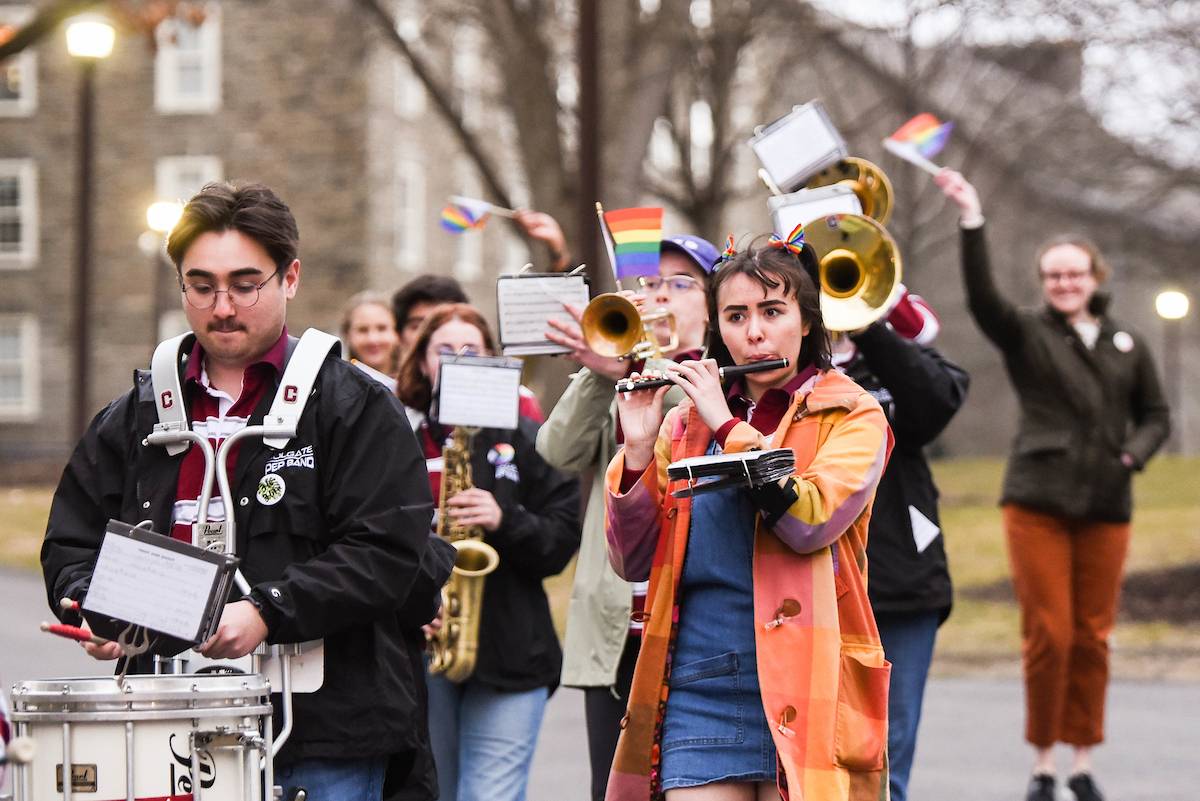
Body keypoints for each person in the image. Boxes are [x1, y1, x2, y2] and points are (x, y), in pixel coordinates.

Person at [40, 182, 446, 801]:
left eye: (245, 284)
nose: (223, 307)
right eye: (201, 286)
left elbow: (388, 550)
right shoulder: (135, 414)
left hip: (324, 734)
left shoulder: (353, 406)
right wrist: (98, 611)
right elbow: (72, 544)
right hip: (164, 727)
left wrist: (267, 610)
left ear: (290, 278)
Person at [604, 232, 892, 801]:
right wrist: (636, 449)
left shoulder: (852, 414)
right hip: (699, 680)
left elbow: (808, 522)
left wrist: (729, 427)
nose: (754, 332)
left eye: (772, 312)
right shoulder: (682, 425)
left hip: (812, 677)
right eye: (736, 316)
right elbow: (631, 560)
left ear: (806, 322)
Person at [935, 169, 1170, 801]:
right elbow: (984, 299)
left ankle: (1082, 763)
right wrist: (972, 219)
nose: (1064, 283)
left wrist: (1132, 456)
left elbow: (1156, 415)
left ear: (1095, 278)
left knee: (1093, 638)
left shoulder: (1127, 343)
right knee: (1051, 635)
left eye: (1074, 273)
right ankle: (1042, 765)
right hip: (1037, 502)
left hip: (1106, 504)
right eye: (1053, 275)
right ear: (1044, 283)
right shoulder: (1027, 332)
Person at [536, 233, 720, 801]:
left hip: (693, 621)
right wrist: (600, 374)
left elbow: (697, 421)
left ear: (713, 304)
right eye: (651, 283)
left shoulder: (722, 377)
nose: (660, 295)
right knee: (614, 788)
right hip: (617, 622)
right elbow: (556, 450)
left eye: (681, 283)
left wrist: (640, 365)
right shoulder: (616, 375)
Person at [396, 303, 581, 801]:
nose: (458, 360)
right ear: (421, 362)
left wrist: (505, 518)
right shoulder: (397, 439)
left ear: (493, 359)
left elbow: (562, 540)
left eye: (471, 350)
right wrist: (410, 601)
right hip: (422, 652)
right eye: (444, 350)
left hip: (512, 650)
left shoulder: (529, 438)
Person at [835, 291, 969, 801]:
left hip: (901, 582)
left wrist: (866, 324)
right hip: (810, 579)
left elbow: (936, 404)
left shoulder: (889, 357)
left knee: (887, 752)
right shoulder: (780, 367)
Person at [343, 290, 402, 377]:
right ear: (347, 335)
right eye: (362, 330)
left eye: (382, 328)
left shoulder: (417, 382)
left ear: (397, 332)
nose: (372, 339)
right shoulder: (331, 383)